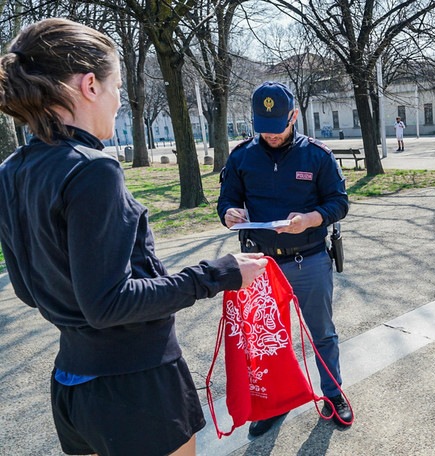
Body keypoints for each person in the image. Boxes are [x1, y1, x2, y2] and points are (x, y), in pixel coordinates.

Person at [0, 18, 268, 456]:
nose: (119, 99)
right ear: (90, 85)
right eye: (117, 86)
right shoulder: (92, 168)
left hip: (72, 386)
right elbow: (108, 303)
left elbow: (30, 291)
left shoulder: (11, 170)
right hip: (137, 386)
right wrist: (219, 273)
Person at [217, 81, 352, 436]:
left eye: (278, 128)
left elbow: (339, 202)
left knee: (322, 333)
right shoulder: (241, 156)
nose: (271, 136)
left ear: (293, 116)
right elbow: (226, 200)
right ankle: (276, 404)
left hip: (309, 260)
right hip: (260, 265)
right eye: (264, 128)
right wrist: (230, 212)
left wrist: (311, 219)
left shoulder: (318, 155)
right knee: (268, 340)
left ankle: (333, 394)